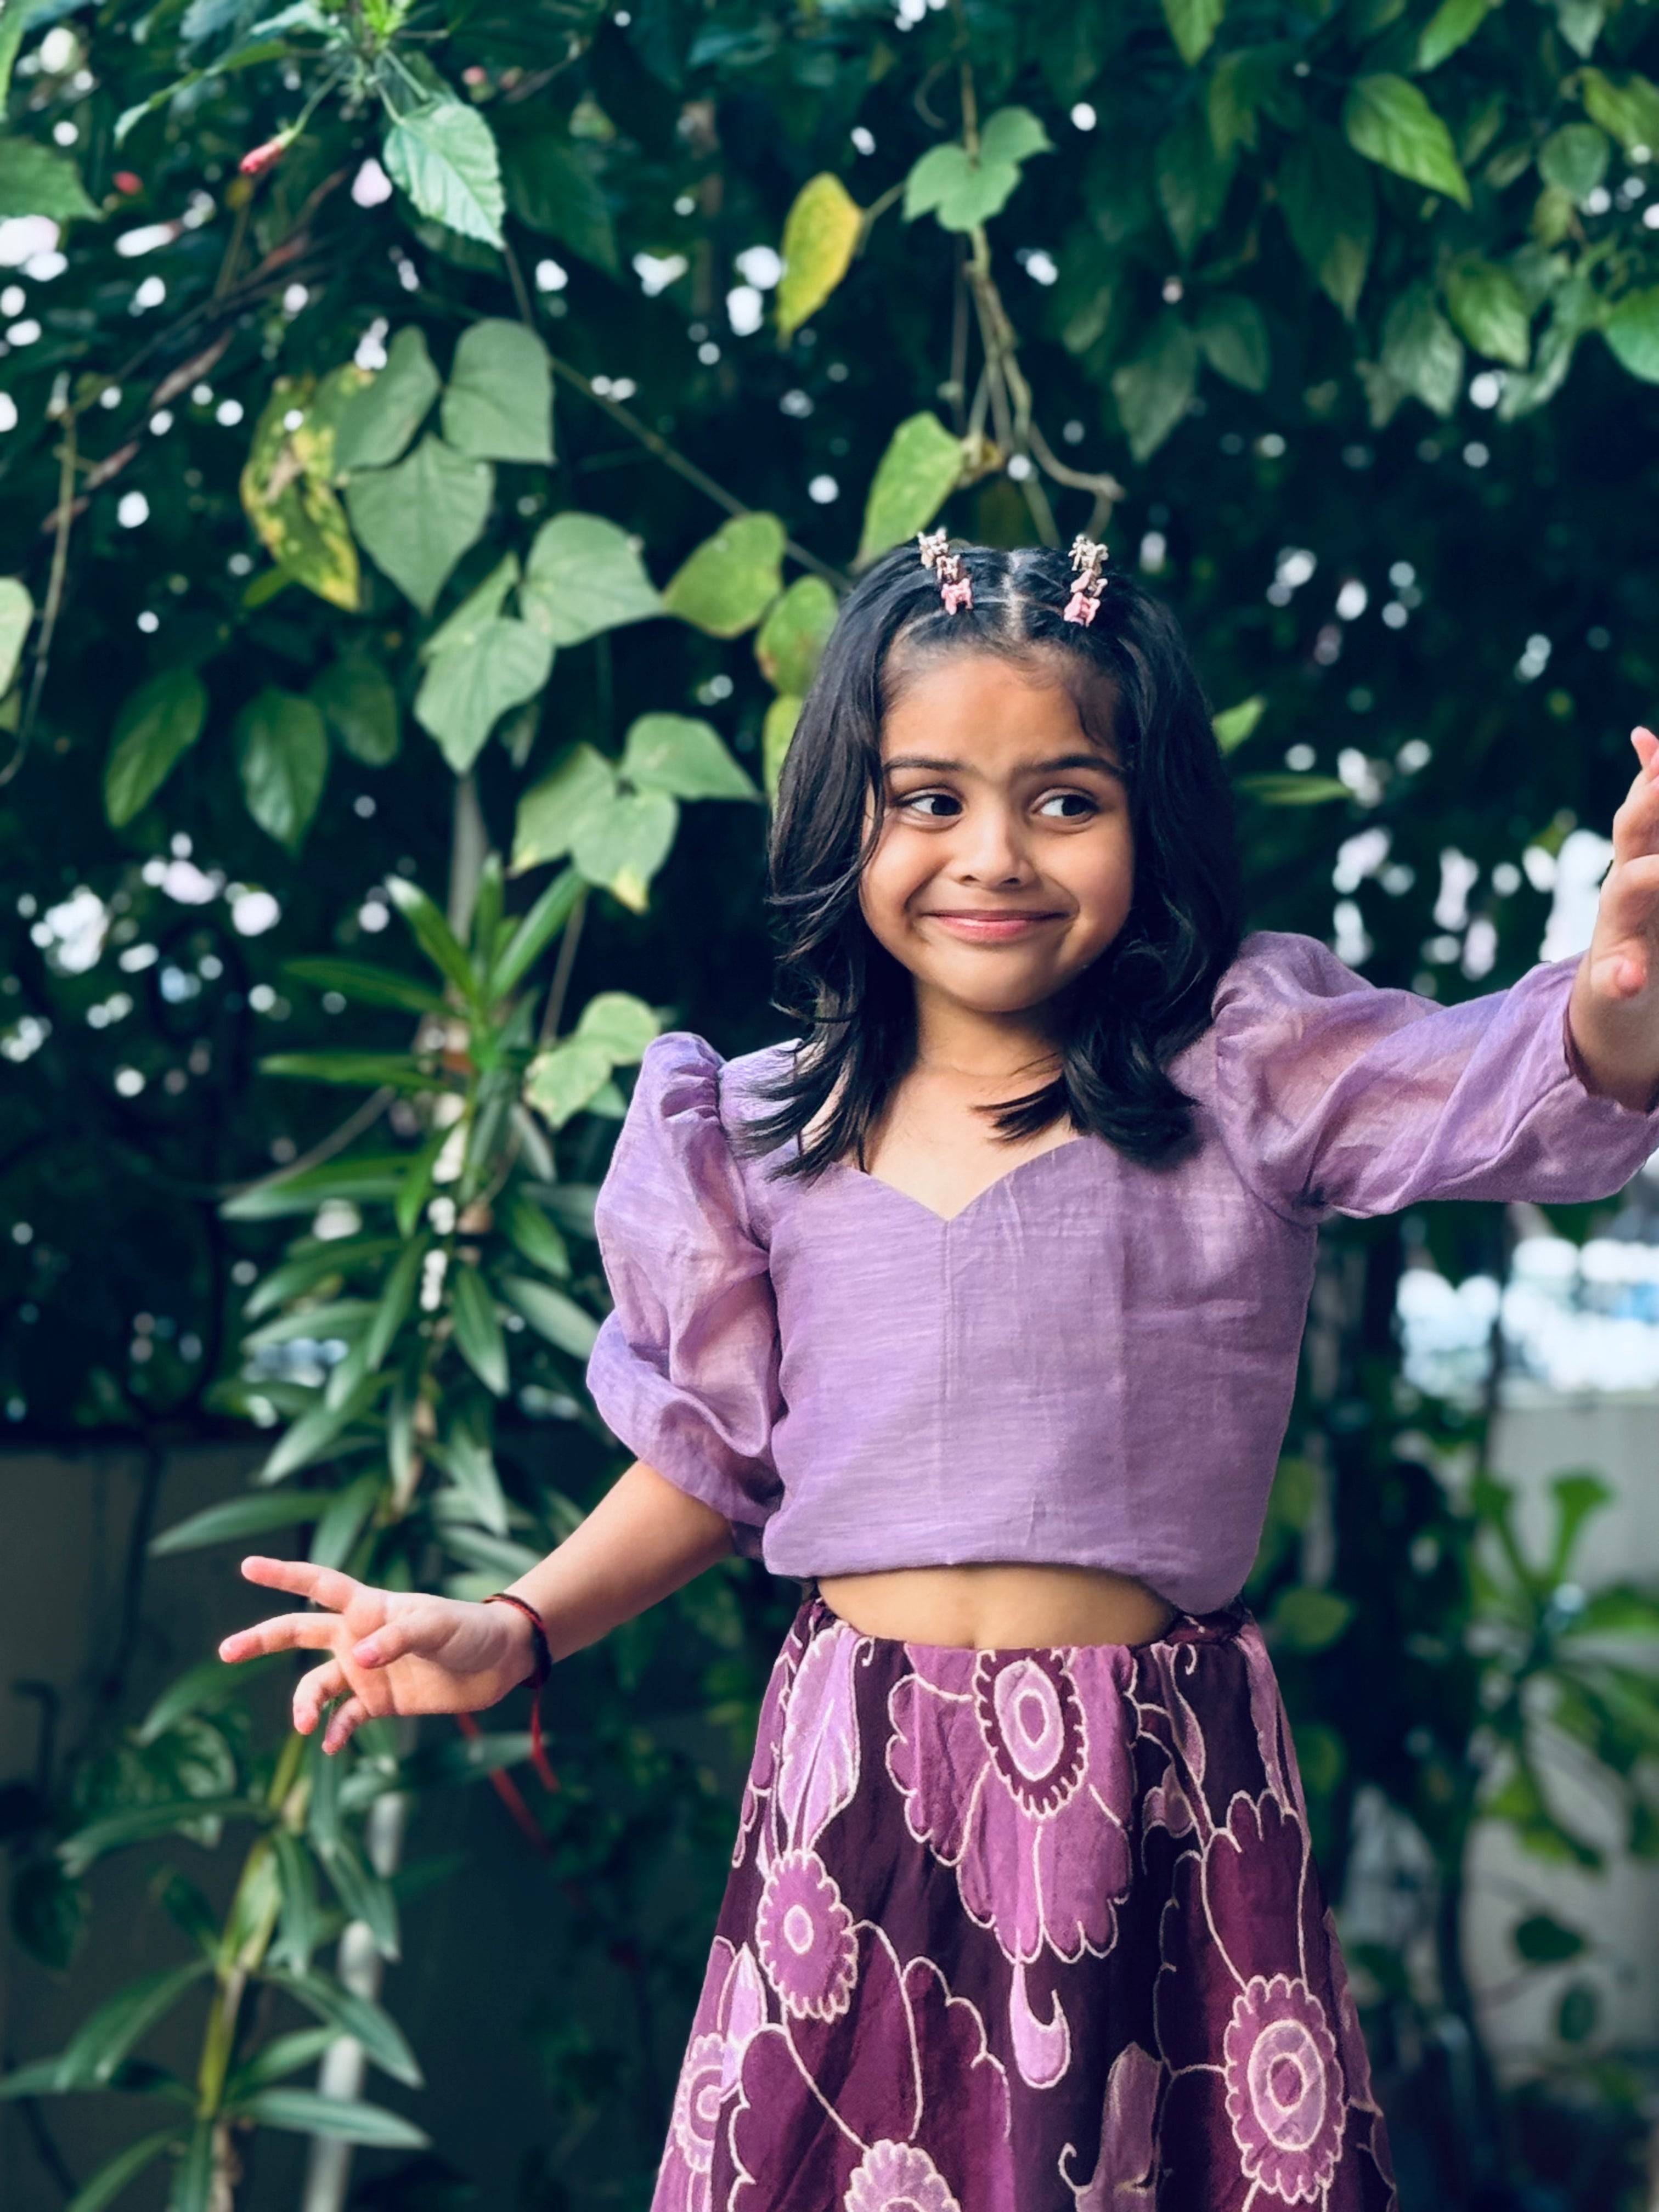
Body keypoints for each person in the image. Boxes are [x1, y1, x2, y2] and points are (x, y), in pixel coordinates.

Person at [220, 535, 1659, 2211]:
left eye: (1067, 800)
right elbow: (708, 1464)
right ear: (844, 817)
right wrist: (516, 1625)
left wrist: (1623, 996)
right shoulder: (758, 1132)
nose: (995, 854)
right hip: (859, 1805)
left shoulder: (1241, 1073)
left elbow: (1510, 1084)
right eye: (929, 799)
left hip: (1153, 1804)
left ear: (1152, 822)